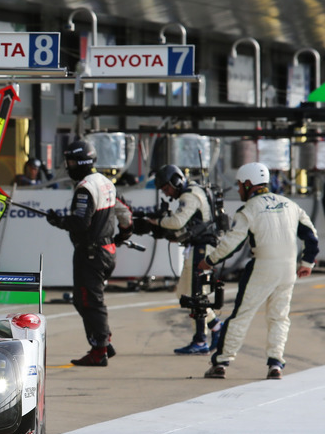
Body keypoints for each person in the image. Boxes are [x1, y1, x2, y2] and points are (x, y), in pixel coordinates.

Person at [198, 162, 319, 380]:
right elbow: (311, 236)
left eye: (239, 185)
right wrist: (307, 263)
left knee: (241, 315)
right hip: (288, 269)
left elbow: (232, 243)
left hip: (263, 267)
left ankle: (221, 363)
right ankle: (276, 364)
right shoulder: (290, 204)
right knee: (279, 317)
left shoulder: (248, 209)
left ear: (247, 184)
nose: (238, 189)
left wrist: (209, 260)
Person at [45, 139, 133, 366]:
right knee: (82, 300)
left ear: (83, 162)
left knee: (90, 301)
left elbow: (81, 223)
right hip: (106, 251)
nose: (69, 166)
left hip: (91, 254)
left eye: (72, 161)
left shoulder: (86, 187)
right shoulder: (106, 183)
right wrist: (123, 236)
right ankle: (103, 341)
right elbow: (126, 214)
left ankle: (99, 351)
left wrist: (58, 221)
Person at [148, 164, 223, 355]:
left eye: (166, 188)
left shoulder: (189, 195)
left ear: (176, 181)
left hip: (202, 249)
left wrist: (155, 221)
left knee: (196, 295)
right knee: (184, 292)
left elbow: (177, 222)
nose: (166, 193)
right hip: (197, 247)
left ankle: (200, 341)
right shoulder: (193, 192)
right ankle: (215, 326)